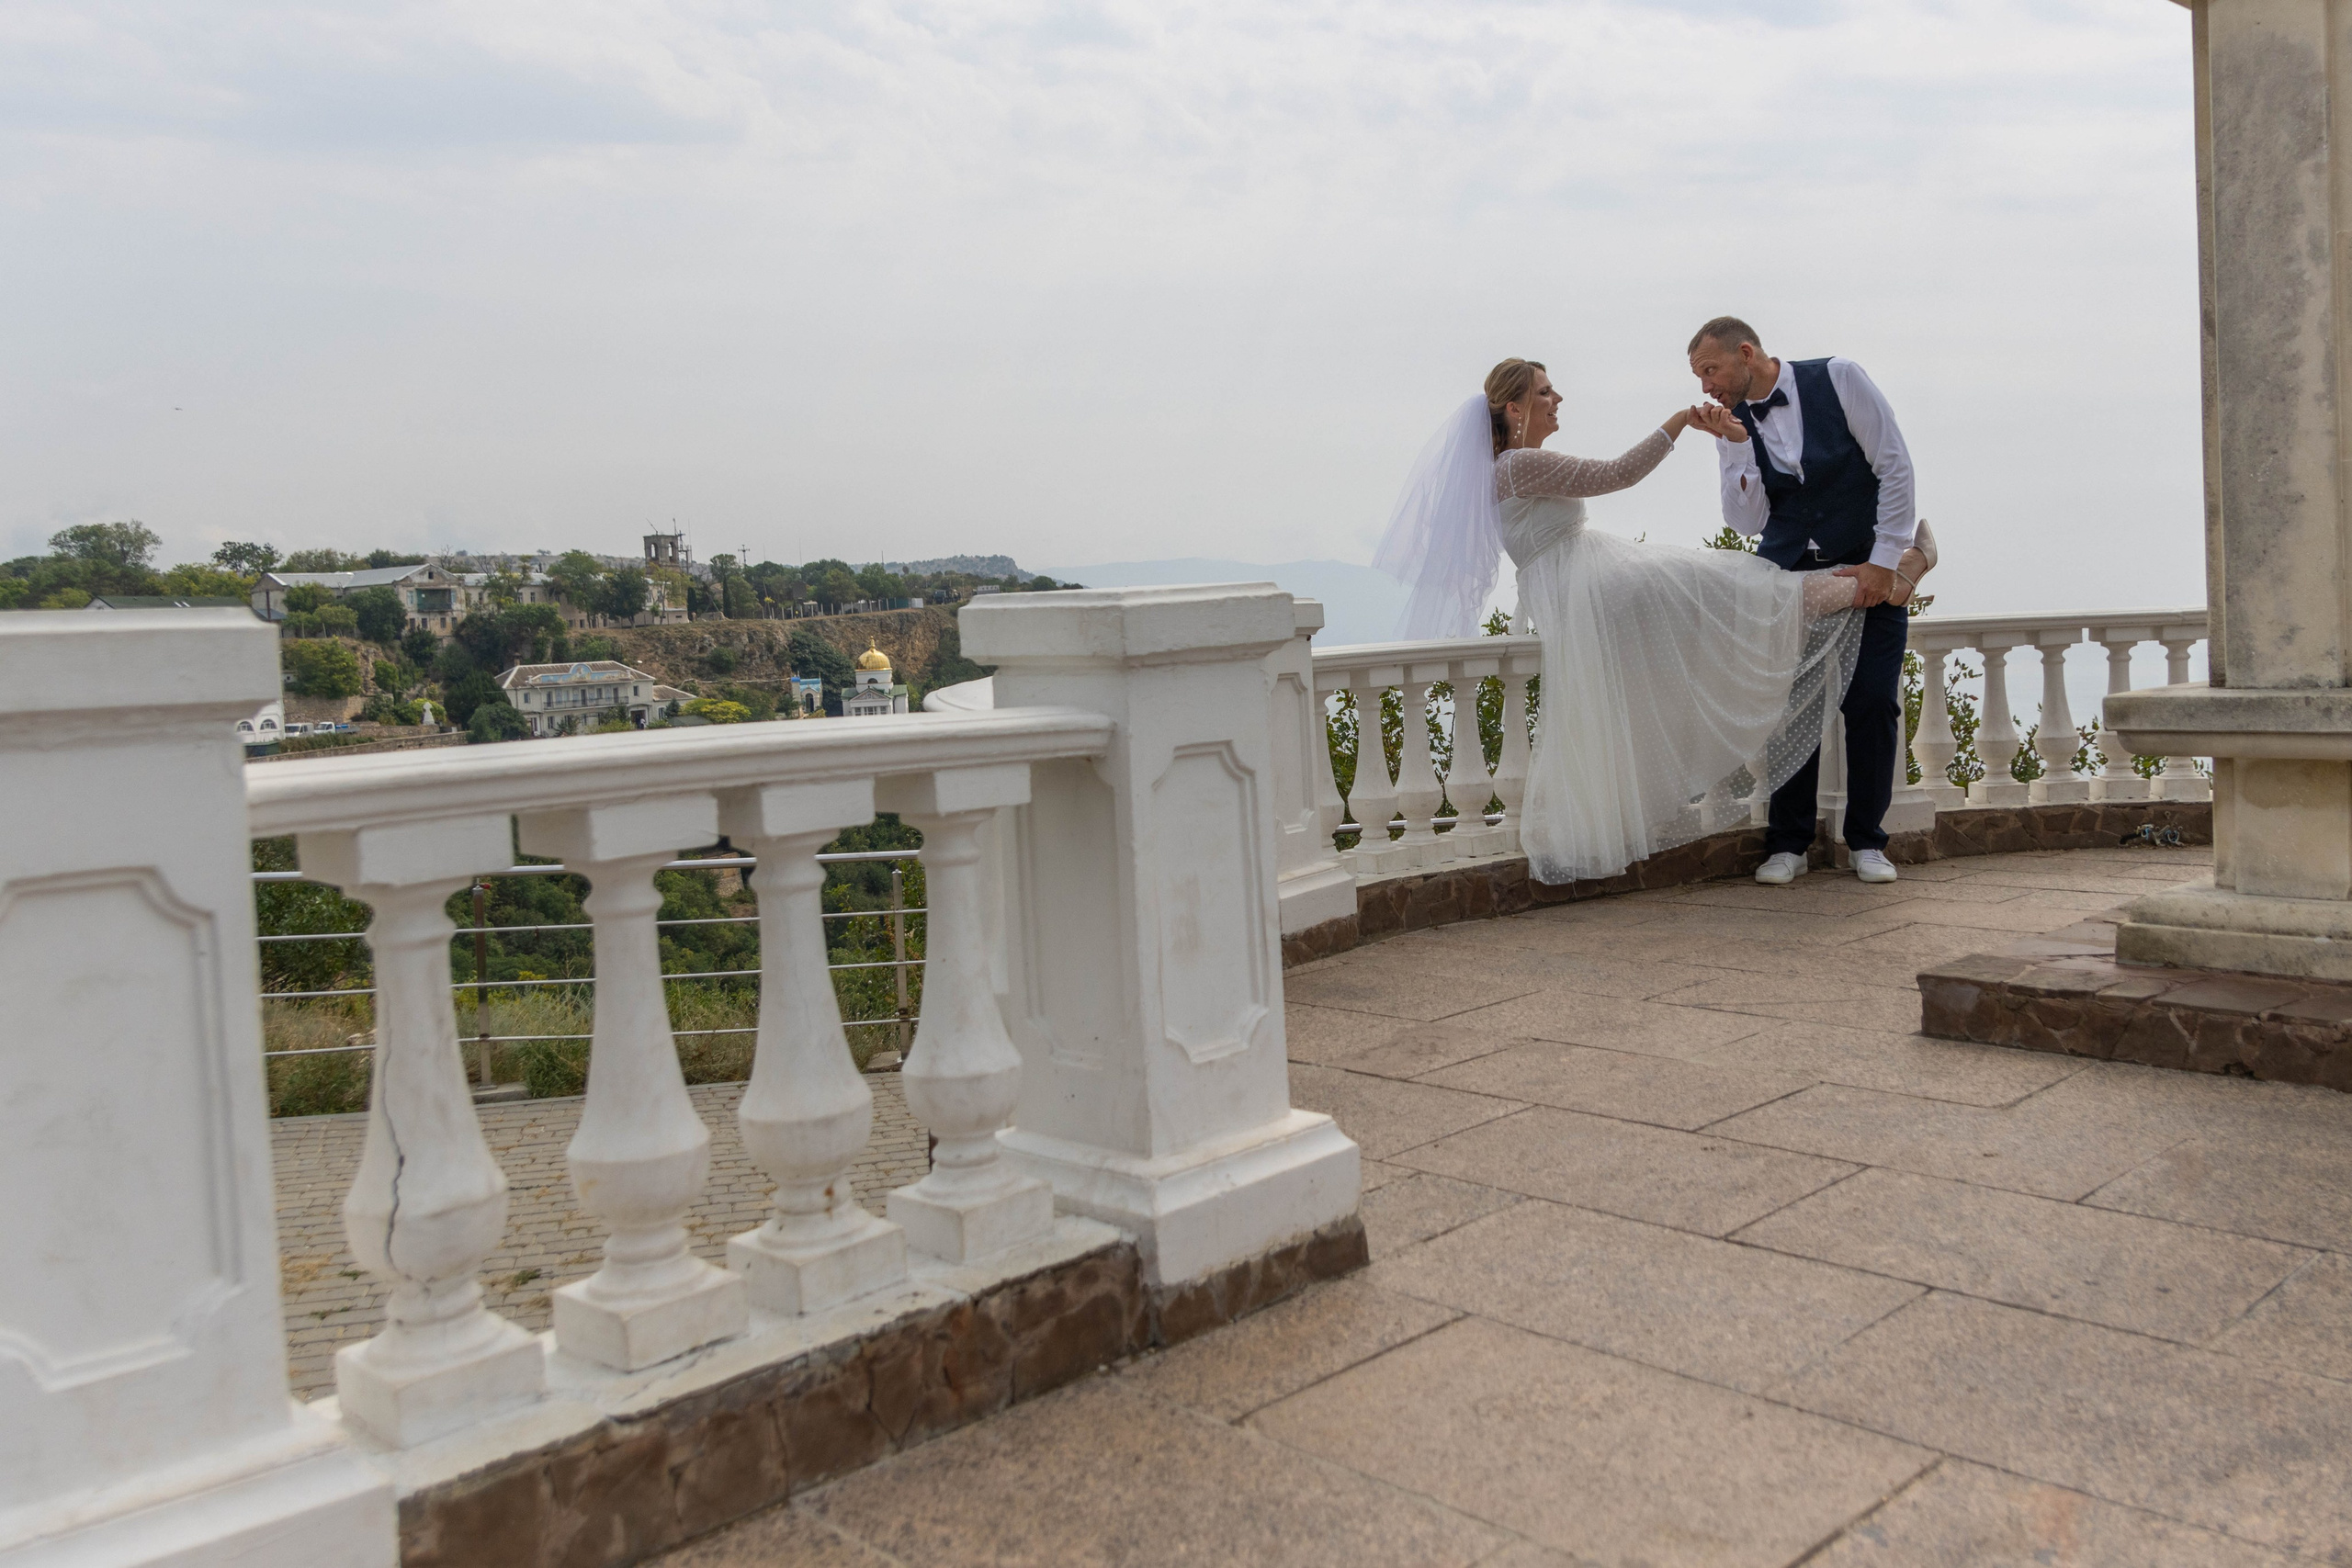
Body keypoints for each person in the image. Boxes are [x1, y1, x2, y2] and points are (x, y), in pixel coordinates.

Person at [1371, 356, 1935, 886]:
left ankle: (1891, 576)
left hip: (1581, 593)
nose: (1557, 396)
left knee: (1755, 597)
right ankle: (1899, 576)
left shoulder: (1507, 468)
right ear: (1514, 410)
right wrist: (1680, 423)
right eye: (1545, 391)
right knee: (1751, 596)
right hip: (1597, 587)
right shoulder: (1519, 464)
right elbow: (1619, 473)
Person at [1686, 317, 1927, 886]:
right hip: (1789, 582)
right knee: (1789, 712)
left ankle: (1868, 841)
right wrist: (1734, 448)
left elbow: (1894, 464)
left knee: (1872, 704)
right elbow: (1746, 522)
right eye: (1699, 376)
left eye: (1710, 370)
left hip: (1868, 566)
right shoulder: (1736, 424)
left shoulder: (1839, 379)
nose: (1705, 387)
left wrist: (1884, 560)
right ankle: (1788, 843)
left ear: (1746, 353)